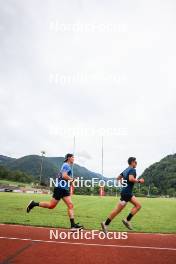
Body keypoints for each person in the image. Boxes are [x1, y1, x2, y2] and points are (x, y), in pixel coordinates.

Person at [26, 153, 83, 231]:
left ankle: (73, 225)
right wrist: (72, 179)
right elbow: (64, 176)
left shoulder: (68, 166)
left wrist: (71, 182)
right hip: (60, 188)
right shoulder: (66, 165)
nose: (74, 159)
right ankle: (33, 204)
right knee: (51, 206)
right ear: (68, 158)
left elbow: (65, 178)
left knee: (70, 205)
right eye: (73, 157)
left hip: (65, 189)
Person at [101, 157, 144, 233]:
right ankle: (124, 220)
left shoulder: (125, 170)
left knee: (121, 209)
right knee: (135, 206)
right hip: (127, 192)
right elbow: (131, 179)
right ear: (132, 162)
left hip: (126, 192)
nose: (136, 163)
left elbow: (118, 178)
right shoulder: (132, 170)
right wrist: (139, 181)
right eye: (135, 162)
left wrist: (122, 183)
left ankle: (108, 223)